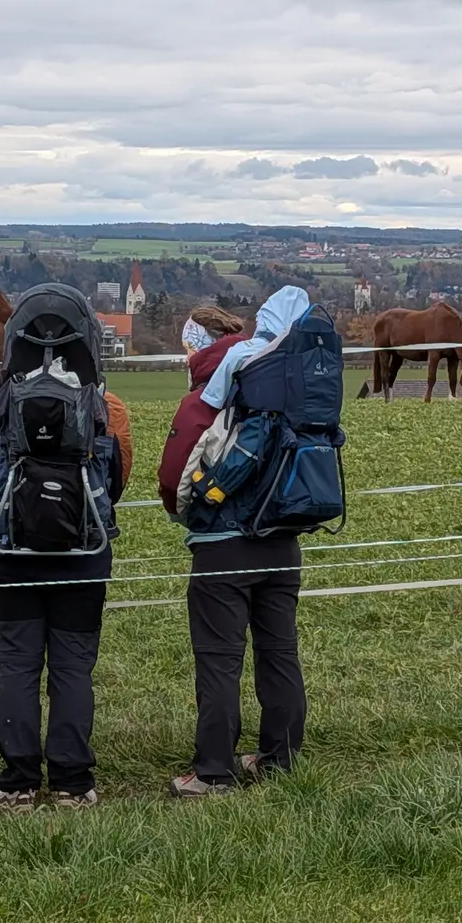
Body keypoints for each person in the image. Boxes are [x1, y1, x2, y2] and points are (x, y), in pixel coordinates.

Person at [0, 284, 132, 811]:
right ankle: (72, 780)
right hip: (84, 550)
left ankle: (17, 780)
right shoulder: (109, 405)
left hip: (12, 549)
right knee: (73, 665)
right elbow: (119, 476)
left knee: (16, 663)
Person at [159, 298, 309, 798]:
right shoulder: (285, 383)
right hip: (283, 542)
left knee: (220, 660)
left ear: (195, 349)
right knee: (280, 654)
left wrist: (189, 511)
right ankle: (279, 759)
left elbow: (171, 477)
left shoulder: (207, 395)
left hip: (222, 548)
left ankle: (213, 772)